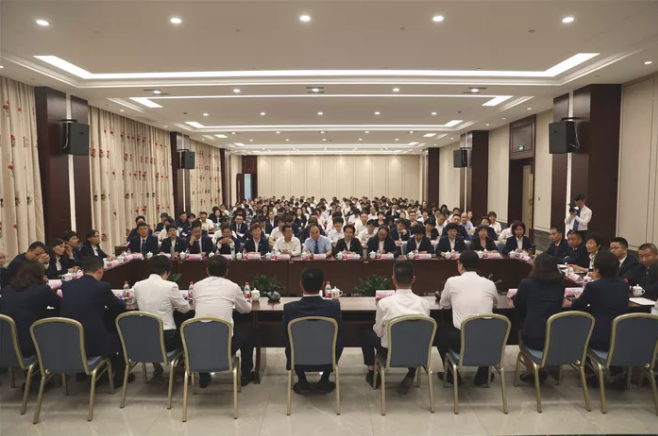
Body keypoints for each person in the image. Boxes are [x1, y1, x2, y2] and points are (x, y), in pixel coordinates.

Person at [60, 257, 134, 386]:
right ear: (100, 270)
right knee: (121, 334)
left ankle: (87, 374)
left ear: (83, 271)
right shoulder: (102, 287)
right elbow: (118, 306)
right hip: (93, 342)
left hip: (70, 340)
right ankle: (120, 377)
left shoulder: (67, 286)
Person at [361, 261, 429, 394]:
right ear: (413, 279)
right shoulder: (424, 303)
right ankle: (411, 372)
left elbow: (378, 332)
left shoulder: (384, 303)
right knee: (413, 337)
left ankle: (372, 373)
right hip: (417, 352)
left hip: (389, 352)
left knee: (366, 333)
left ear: (393, 279)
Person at [437, 251, 498, 385]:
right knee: (488, 329)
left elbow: (444, 305)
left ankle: (452, 375)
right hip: (487, 341)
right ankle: (483, 375)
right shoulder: (489, 283)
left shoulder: (452, 281)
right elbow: (495, 304)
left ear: (460, 265)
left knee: (439, 330)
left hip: (462, 341)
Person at [193, 256, 255, 387]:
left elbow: (195, 305)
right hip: (224, 347)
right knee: (249, 331)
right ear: (227, 271)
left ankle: (203, 376)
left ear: (207, 270)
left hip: (199, 346)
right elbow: (245, 310)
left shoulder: (197, 286)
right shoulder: (233, 287)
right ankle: (246, 374)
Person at [572, 251, 629, 390]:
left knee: (580, 334)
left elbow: (578, 306)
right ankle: (617, 373)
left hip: (600, 340)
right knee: (610, 331)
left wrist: (576, 299)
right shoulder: (623, 285)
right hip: (621, 337)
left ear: (597, 270)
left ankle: (590, 373)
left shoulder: (594, 286)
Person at [283, 267, 343, 394]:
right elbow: (340, 332)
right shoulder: (333, 307)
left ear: (300, 284)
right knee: (338, 340)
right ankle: (324, 379)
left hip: (298, 358)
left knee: (291, 341)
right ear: (322, 285)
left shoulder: (290, 308)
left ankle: (302, 380)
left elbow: (285, 334)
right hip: (327, 357)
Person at [512, 254, 565, 384]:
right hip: (556, 336)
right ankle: (545, 367)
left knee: (520, 329)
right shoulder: (560, 285)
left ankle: (532, 371)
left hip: (535, 337)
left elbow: (518, 302)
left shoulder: (527, 283)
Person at [0, 261, 61, 356]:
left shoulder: (7, 289)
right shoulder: (42, 290)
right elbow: (60, 305)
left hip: (6, 343)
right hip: (30, 343)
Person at [133, 256, 189, 354]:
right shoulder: (170, 286)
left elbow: (135, 304)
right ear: (166, 272)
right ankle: (180, 363)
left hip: (145, 335)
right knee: (186, 336)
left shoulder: (138, 285)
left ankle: (154, 361)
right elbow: (185, 309)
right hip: (166, 337)